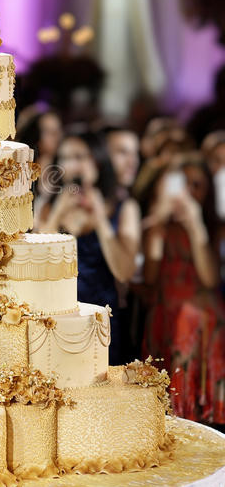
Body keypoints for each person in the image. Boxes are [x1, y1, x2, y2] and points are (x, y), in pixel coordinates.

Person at [37, 130, 141, 363]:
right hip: (56, 318)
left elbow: (124, 272)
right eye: (65, 157)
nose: (72, 164)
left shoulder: (124, 207)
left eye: (80, 156)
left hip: (102, 318)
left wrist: (102, 220)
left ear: (97, 160)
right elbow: (37, 262)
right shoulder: (48, 206)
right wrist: (56, 215)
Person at [139, 152, 225, 422]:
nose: (188, 192)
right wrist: (159, 224)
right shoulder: (156, 226)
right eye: (182, 183)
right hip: (165, 319)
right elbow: (150, 275)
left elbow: (210, 279)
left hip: (202, 324)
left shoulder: (213, 228)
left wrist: (196, 226)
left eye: (197, 185)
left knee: (200, 410)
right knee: (163, 410)